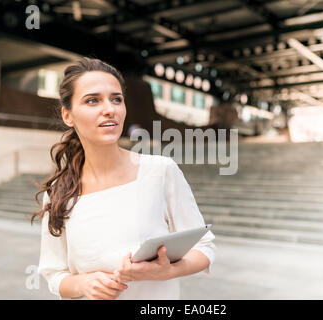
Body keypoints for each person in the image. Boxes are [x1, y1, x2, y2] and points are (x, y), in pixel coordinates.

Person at [31, 57, 216, 300]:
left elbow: (205, 248)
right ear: (68, 116)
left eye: (116, 99)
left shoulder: (160, 171)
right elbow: (54, 273)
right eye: (92, 100)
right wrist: (83, 285)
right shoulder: (58, 192)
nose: (110, 108)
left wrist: (167, 271)